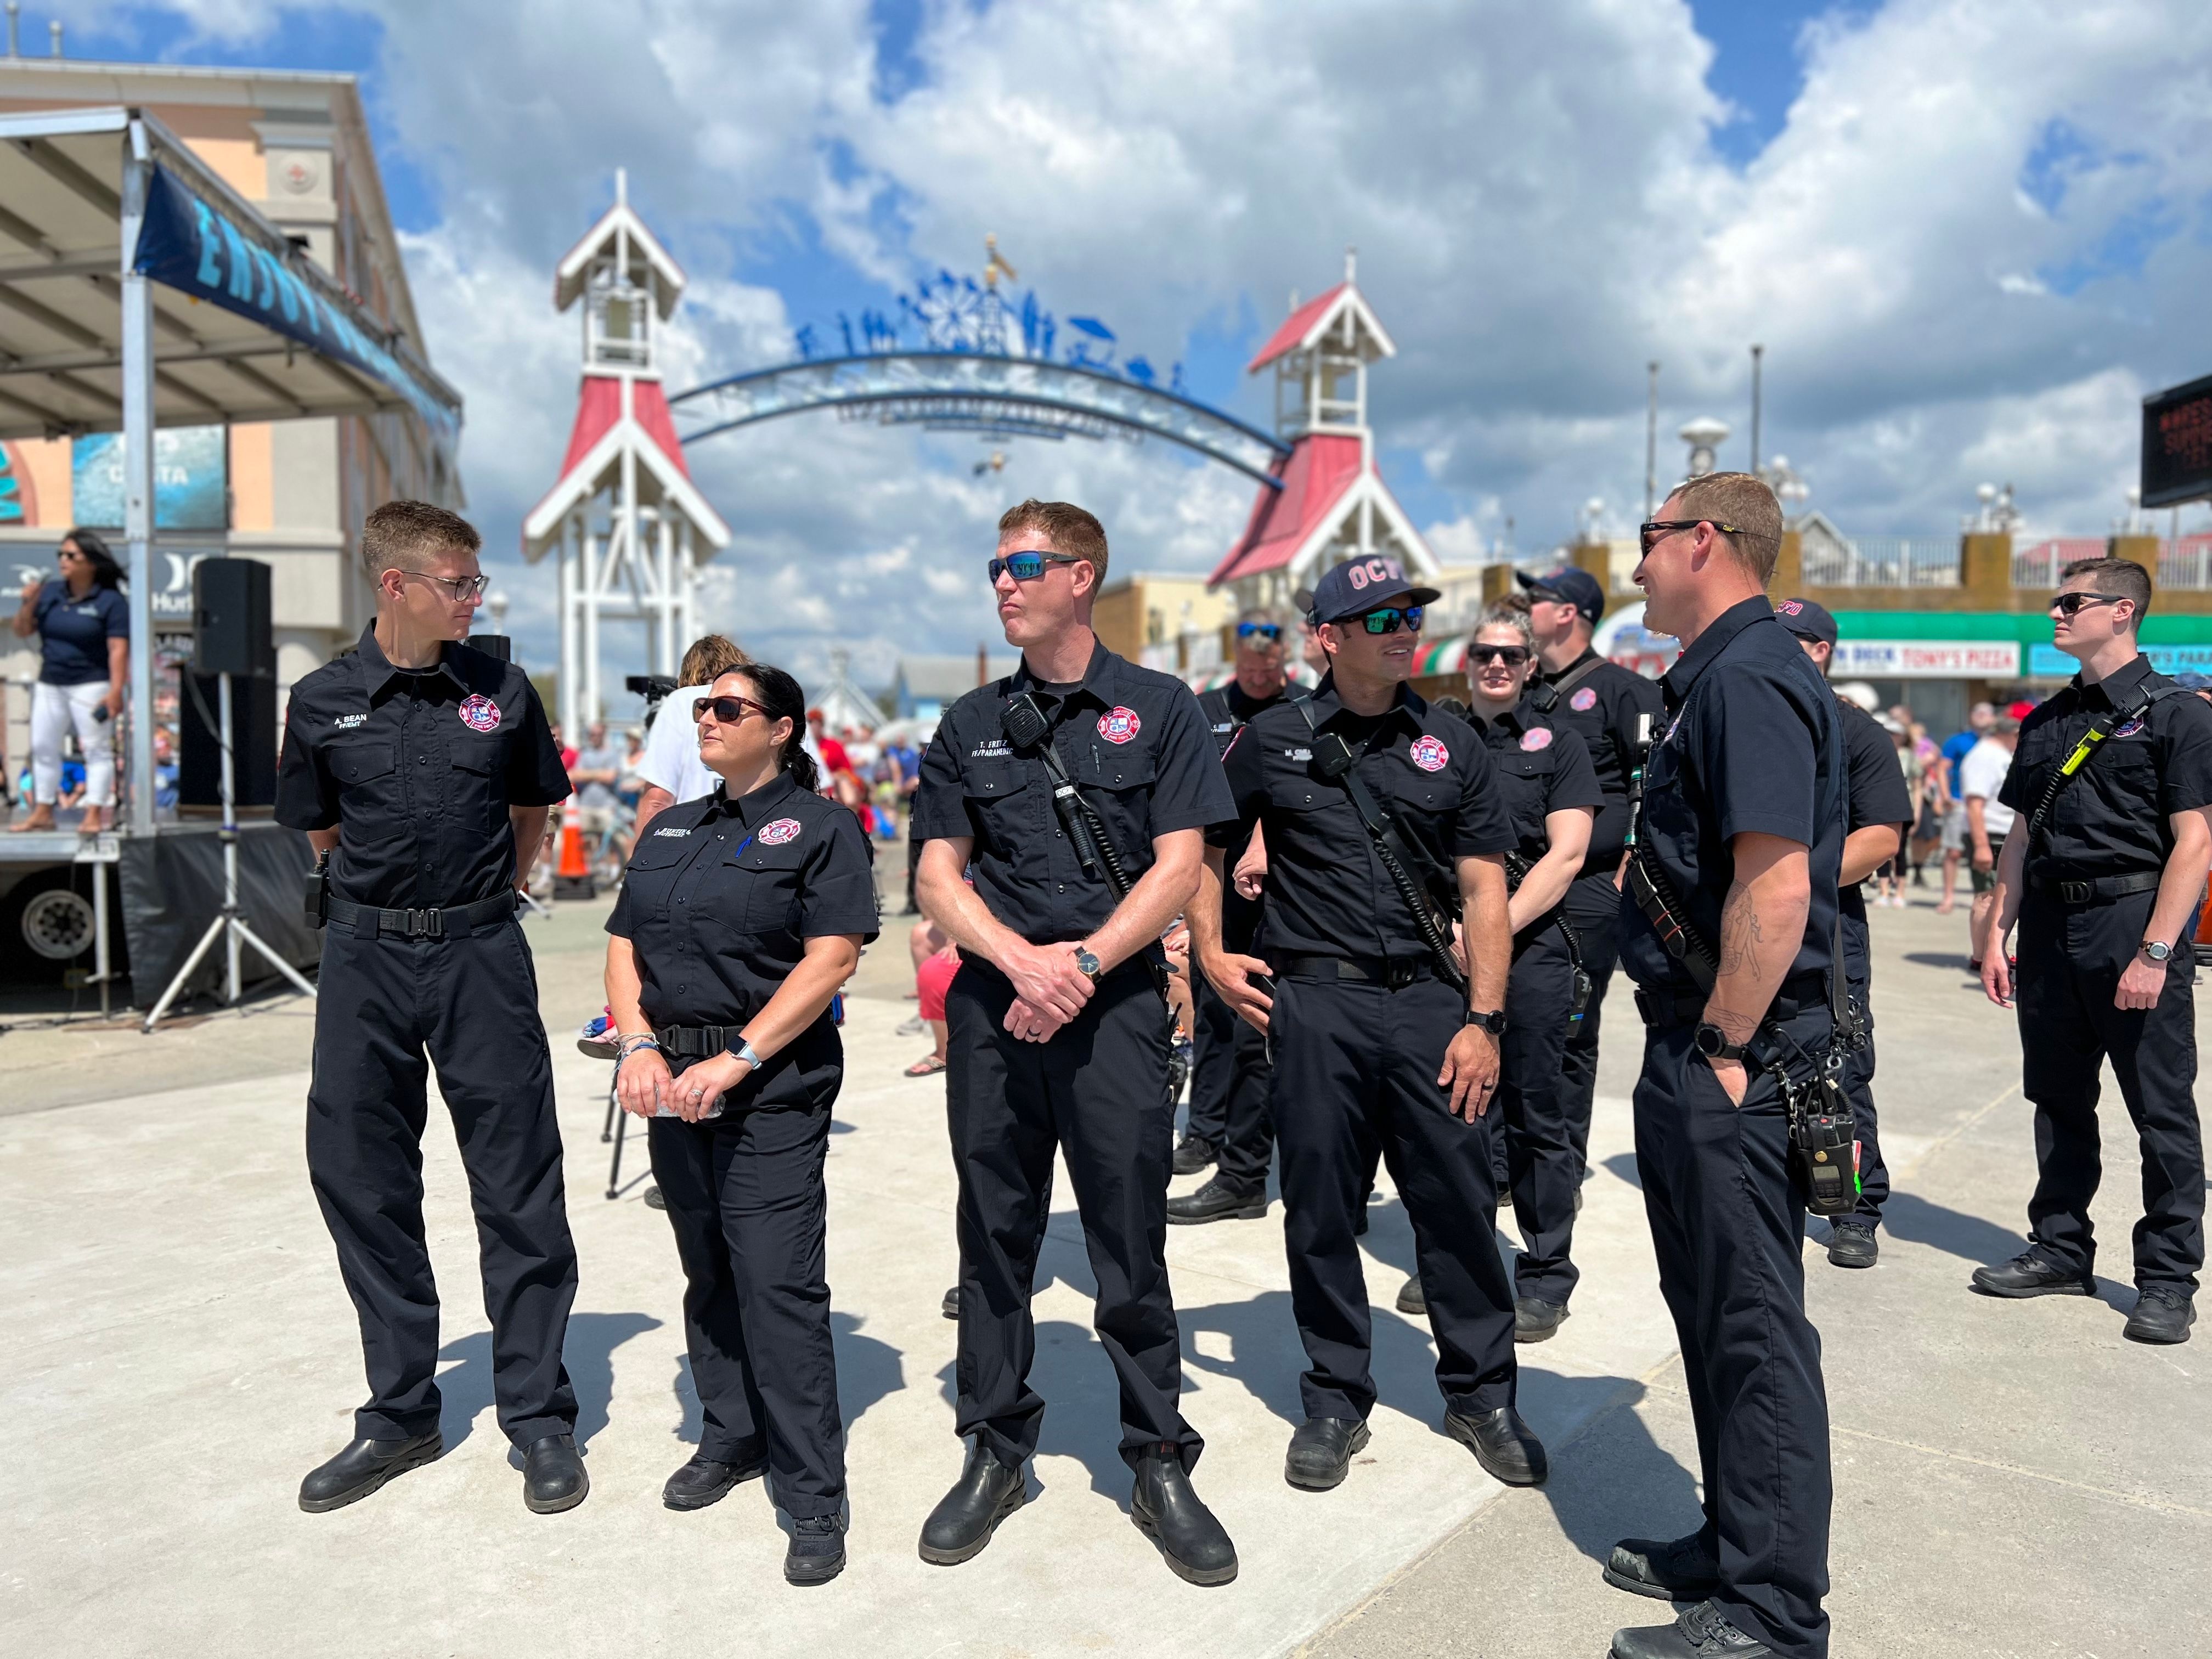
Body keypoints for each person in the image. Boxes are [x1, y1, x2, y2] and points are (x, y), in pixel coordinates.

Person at [909, 498, 1239, 1584]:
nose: (1002, 582)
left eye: (1023, 564)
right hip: (999, 1009)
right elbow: (936, 875)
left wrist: (1083, 967)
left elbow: (1180, 864)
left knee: (1129, 1247)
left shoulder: (1162, 708)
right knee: (995, 1244)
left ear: (1083, 575)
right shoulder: (967, 724)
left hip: (1115, 1012)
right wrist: (1022, 962)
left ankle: (1157, 1457)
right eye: (995, 565)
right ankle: (997, 1450)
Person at [1194, 555, 1547, 1498]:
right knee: (1318, 1208)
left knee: (1460, 1204)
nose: (1404, 626)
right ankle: (1335, 1398)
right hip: (1316, 1003)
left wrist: (1484, 1016)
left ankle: (1481, 1395)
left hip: (1435, 1001)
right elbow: (1201, 846)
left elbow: (1484, 889)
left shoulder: (1452, 741)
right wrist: (1211, 954)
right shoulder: (1269, 739)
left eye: (1412, 611)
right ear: (1329, 635)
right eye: (1380, 613)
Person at [276, 501, 585, 1516]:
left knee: (518, 1180)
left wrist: (499, 892)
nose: (475, 597)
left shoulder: (501, 689)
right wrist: (378, 911)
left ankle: (537, 1413)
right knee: (361, 1178)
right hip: (365, 955)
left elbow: (534, 806)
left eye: (476, 581)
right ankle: (401, 1410)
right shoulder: (321, 699)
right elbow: (318, 829)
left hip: (481, 950)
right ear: (395, 585)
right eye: (457, 582)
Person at [1604, 475, 1845, 1659]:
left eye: (1646, 542)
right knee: (1706, 1314)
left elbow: (1777, 884)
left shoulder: (1748, 677)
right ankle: (1734, 1538)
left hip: (1732, 1052)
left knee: (1751, 1329)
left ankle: (1772, 1613)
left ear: (1703, 542)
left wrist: (1725, 1050)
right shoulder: (1713, 679)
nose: (1633, 565)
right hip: (1700, 1040)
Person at [605, 662, 878, 1584]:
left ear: (783, 727)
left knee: (776, 1282)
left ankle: (812, 1487)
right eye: (699, 708)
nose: (706, 720)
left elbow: (831, 955)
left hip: (770, 1085)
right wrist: (638, 1045)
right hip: (671, 1082)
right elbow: (623, 942)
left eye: (727, 707)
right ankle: (732, 1431)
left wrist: (737, 1058)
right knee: (708, 1270)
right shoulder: (672, 824)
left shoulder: (824, 826)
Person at [1976, 557, 2212, 1345]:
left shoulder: (2179, 715)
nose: (2054, 614)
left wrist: (2154, 951)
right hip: (2050, 927)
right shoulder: (2045, 721)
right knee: (2058, 1099)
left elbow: (2195, 843)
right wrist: (1996, 932)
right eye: (2054, 601)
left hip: (2132, 920)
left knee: (2161, 1111)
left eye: (2069, 602)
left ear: (2122, 612)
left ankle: (2169, 1279)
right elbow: (2021, 833)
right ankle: (2061, 1247)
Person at [1420, 603, 1601, 1339]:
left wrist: (1490, 929)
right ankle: (1470, 1265)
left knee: (1535, 1118)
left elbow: (1566, 856)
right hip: (1445, 952)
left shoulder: (1561, 743)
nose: (1496, 665)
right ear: (1468, 661)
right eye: (1483, 654)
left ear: (1532, 665)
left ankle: (1546, 1272)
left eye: (1510, 656)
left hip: (1531, 951)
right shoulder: (1433, 739)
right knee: (1455, 1113)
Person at [1517, 562, 1668, 1224]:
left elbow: (1651, 783)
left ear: (1571, 612)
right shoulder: (1524, 689)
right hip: (1521, 884)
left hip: (1590, 888)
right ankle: (1512, 1158)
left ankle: (1563, 1162)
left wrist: (1625, 870)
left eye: (1538, 600)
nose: (1526, 609)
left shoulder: (1623, 690)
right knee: (1514, 1022)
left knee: (1570, 1031)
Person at [1775, 599, 1912, 1269]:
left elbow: (1882, 835)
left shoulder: (1857, 731)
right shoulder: (1756, 722)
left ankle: (1854, 1209)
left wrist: (1795, 884)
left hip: (1826, 924)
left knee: (1841, 1068)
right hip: (1746, 923)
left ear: (1820, 650)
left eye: (1787, 640)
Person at [1169, 606, 1294, 1222]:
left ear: (1284, 659)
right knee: (1212, 1016)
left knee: (1258, 1029)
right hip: (1215, 886)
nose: (1259, 670)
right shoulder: (1205, 710)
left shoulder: (1299, 709)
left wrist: (1262, 841)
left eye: (1269, 662)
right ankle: (1206, 1133)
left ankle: (1253, 1157)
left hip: (1282, 890)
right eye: (1249, 661)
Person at [10, 528, 128, 834]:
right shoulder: (50, 593)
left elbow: (118, 649)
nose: (63, 560)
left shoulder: (110, 601)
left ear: (90, 562)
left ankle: (94, 813)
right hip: (51, 681)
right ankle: (43, 810)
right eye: (60, 554)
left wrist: (116, 691)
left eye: (71, 555)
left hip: (92, 682)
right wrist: (28, 603)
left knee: (96, 749)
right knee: (42, 746)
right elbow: (22, 631)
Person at [1959, 715, 2018, 970]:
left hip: (2000, 833)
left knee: (1996, 896)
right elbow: (1974, 803)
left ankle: (1987, 953)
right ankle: (1981, 956)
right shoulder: (1985, 756)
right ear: (2013, 732)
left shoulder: (1996, 754)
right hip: (1990, 834)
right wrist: (1981, 845)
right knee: (1987, 897)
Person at [1936, 704, 1994, 915]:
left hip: (1986, 807)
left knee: (1984, 852)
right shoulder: (1957, 741)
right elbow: (1942, 768)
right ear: (1971, 716)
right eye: (1977, 712)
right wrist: (1945, 796)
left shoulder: (1995, 743)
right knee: (1953, 852)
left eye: (1986, 713)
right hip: (1959, 803)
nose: (1982, 716)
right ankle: (1948, 897)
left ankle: (1980, 899)